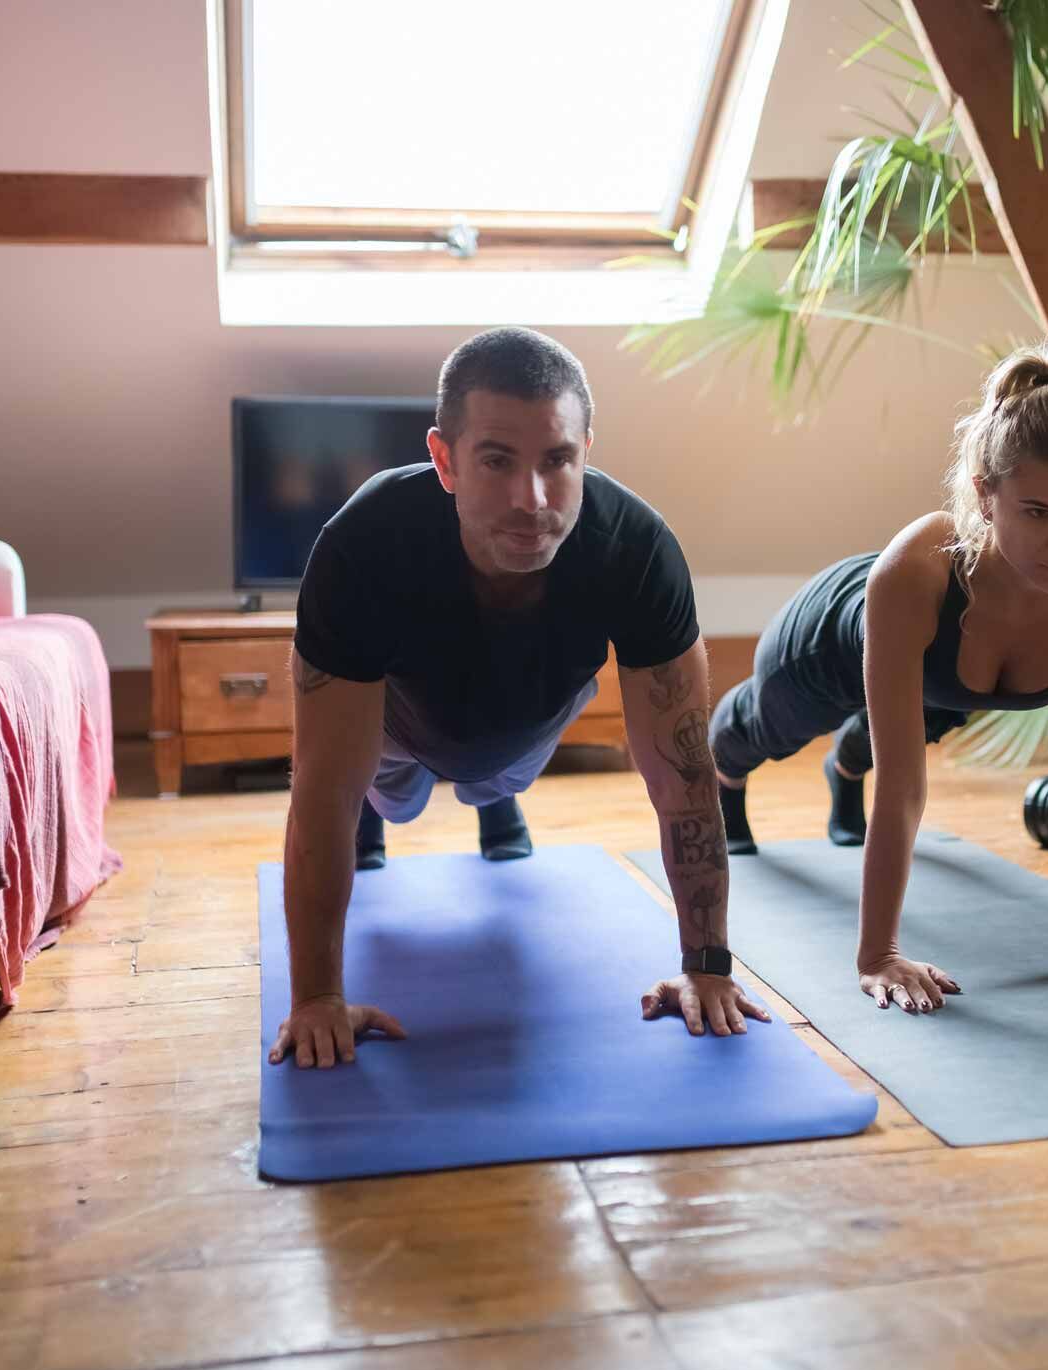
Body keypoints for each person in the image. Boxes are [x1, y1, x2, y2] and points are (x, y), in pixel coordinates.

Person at [268, 327, 768, 1070]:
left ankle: (491, 792)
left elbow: (685, 781)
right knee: (383, 797)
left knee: (494, 776)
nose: (531, 499)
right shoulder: (363, 544)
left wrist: (707, 963)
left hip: (530, 718)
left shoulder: (636, 550)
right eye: (497, 461)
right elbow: (320, 790)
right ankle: (389, 814)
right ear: (445, 460)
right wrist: (315, 998)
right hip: (396, 729)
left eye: (557, 460)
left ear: (585, 452)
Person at [709, 340, 1048, 1014]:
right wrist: (877, 954)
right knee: (771, 729)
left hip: (947, 678)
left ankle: (846, 773)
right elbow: (905, 786)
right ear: (986, 496)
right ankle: (725, 775)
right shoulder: (916, 571)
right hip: (832, 641)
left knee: (909, 725)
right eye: (1038, 513)